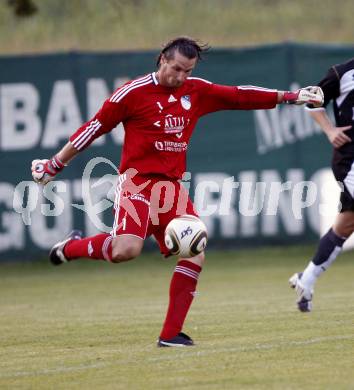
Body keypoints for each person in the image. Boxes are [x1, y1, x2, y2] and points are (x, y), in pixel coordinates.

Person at [31, 37, 323, 346]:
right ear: (162, 60)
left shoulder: (195, 91)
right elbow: (93, 128)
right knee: (125, 251)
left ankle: (170, 335)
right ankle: (71, 247)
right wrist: (54, 164)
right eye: (177, 69)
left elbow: (239, 96)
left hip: (171, 188)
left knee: (195, 252)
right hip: (137, 183)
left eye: (188, 71)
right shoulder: (132, 93)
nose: (181, 77)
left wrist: (292, 96)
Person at [289, 58, 354, 312]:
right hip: (350, 160)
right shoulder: (342, 73)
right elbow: (311, 99)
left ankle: (306, 280)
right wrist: (329, 130)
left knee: (346, 224)